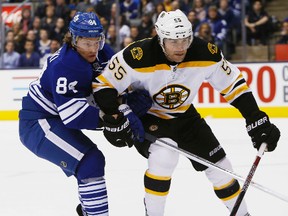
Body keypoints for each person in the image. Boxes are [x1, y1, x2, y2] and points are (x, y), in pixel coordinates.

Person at [92, 9, 281, 216]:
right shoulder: (137, 56)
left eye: (185, 40)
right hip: (149, 116)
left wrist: (255, 118)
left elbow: (233, 85)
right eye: (174, 41)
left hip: (185, 116)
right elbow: (103, 86)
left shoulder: (205, 52)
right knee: (165, 157)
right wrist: (115, 116)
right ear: (160, 37)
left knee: (220, 167)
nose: (181, 47)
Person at [18, 12, 113, 216]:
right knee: (90, 162)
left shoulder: (103, 53)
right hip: (38, 123)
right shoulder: (66, 65)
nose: (93, 49)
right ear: (73, 39)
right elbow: (73, 116)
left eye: (97, 42)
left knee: (92, 162)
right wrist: (111, 120)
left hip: (55, 117)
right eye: (87, 43)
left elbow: (119, 85)